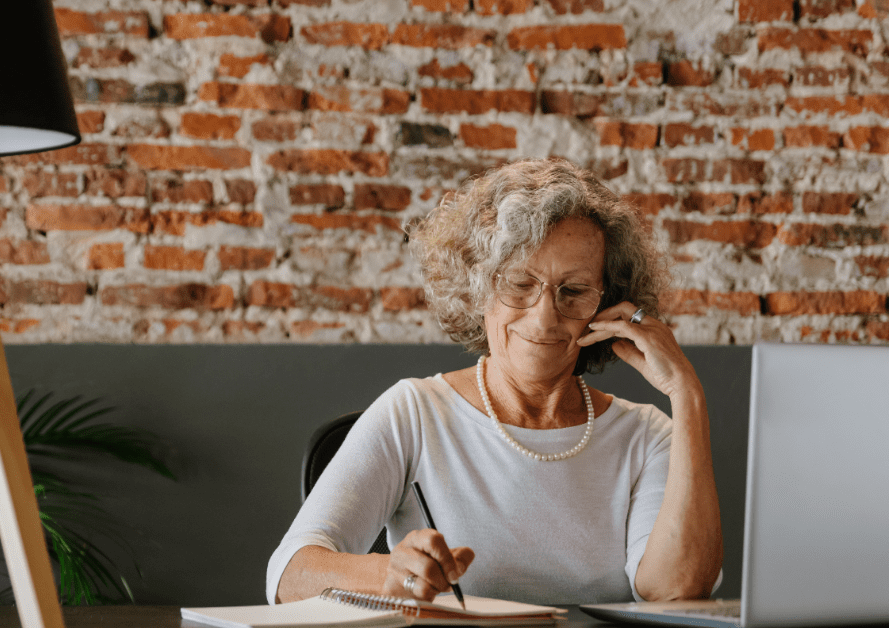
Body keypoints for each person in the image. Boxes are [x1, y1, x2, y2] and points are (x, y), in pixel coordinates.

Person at [266, 158, 723, 605]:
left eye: (575, 290)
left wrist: (688, 396)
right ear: (478, 288)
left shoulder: (646, 436)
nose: (544, 317)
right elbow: (289, 573)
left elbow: (675, 588)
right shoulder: (414, 412)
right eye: (520, 284)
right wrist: (390, 573)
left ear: (607, 308)